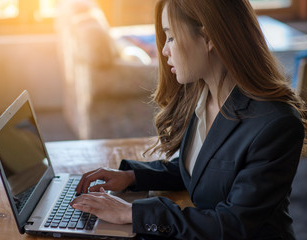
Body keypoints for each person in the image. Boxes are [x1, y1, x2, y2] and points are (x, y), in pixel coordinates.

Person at [70, 0, 307, 239]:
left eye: (170, 37)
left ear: (208, 38)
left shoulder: (275, 124)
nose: (164, 51)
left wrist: (132, 213)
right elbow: (201, 168)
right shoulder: (202, 95)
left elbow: (234, 224)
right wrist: (132, 177)